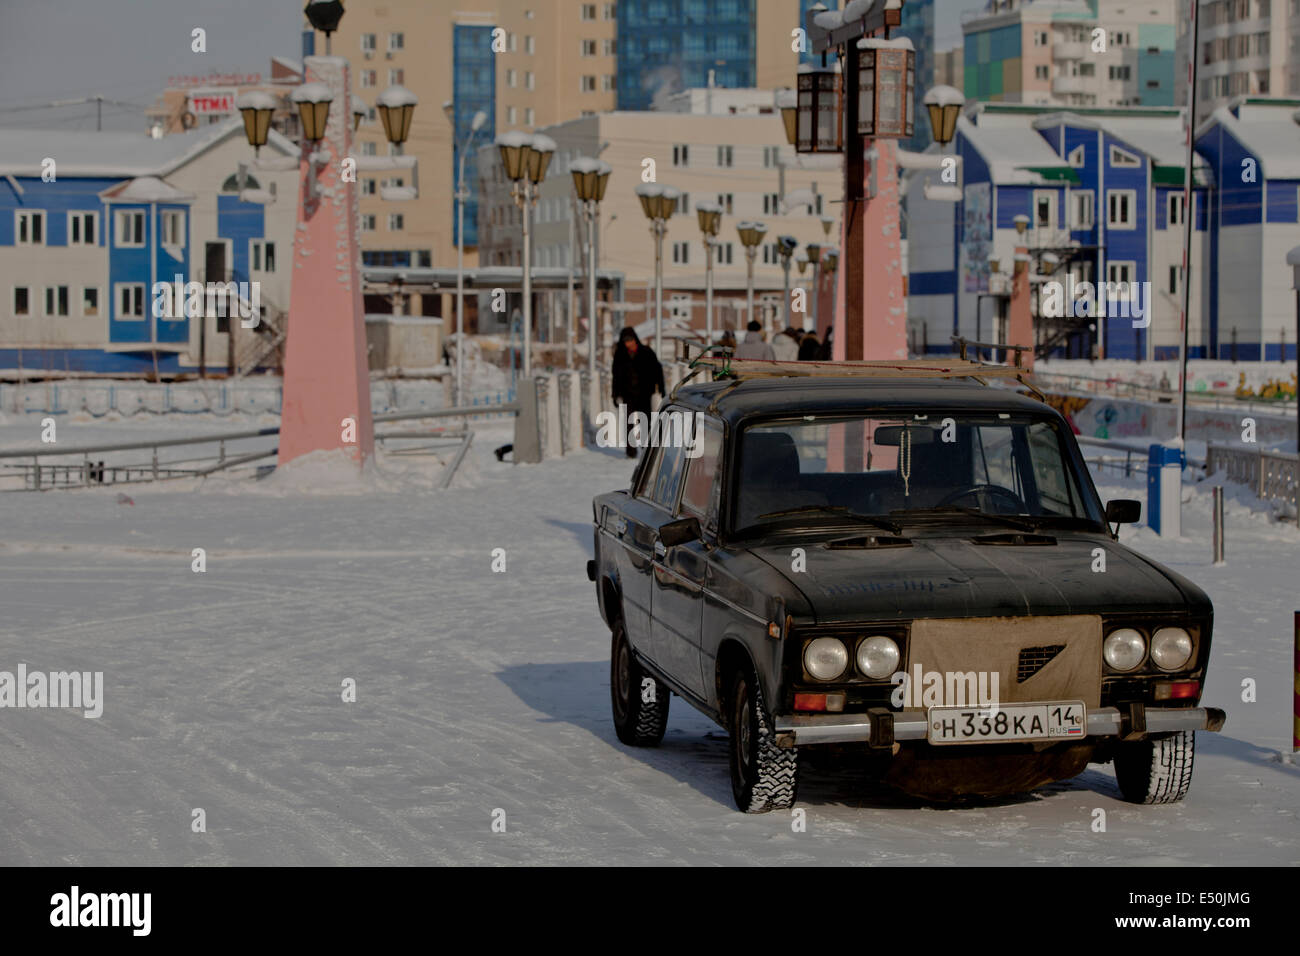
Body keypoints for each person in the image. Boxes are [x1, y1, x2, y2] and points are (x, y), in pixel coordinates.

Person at [611, 327, 664, 458]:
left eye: (630, 340)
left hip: (644, 393)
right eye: (625, 341)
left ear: (635, 339)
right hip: (627, 394)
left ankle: (646, 450)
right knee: (628, 423)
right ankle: (631, 451)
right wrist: (615, 394)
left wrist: (661, 388)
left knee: (644, 421)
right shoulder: (620, 355)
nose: (628, 343)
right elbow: (616, 376)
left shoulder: (646, 352)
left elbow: (657, 370)